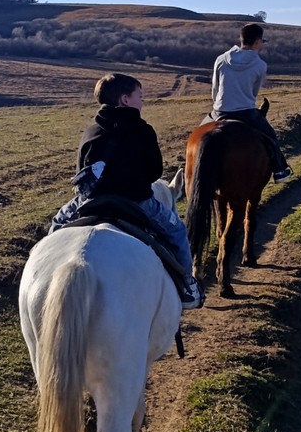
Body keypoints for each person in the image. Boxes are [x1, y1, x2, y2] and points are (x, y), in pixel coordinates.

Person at [50, 72, 203, 310]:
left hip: (91, 201)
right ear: (125, 100)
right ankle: (188, 286)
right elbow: (154, 173)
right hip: (136, 201)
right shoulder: (143, 130)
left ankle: (46, 271)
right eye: (139, 96)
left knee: (57, 225)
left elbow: (81, 170)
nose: (142, 101)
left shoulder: (90, 131)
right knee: (177, 232)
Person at [210, 22, 292, 180]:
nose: (261, 45)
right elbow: (254, 93)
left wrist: (218, 107)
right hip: (246, 112)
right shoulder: (261, 65)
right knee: (270, 136)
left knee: (199, 135)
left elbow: (215, 88)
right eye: (261, 42)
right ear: (256, 42)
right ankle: (280, 170)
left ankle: (188, 171)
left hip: (220, 111)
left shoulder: (220, 59)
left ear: (241, 39)